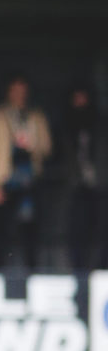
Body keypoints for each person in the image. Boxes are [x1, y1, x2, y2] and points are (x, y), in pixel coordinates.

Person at [0, 74, 51, 269]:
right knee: (0, 230)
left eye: (23, 91)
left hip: (29, 181)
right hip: (5, 179)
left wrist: (31, 143)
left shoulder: (36, 116)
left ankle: (31, 271)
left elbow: (47, 147)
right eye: (15, 90)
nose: (19, 94)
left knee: (30, 230)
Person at [61, 84, 102, 272]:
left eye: (83, 98)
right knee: (77, 230)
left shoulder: (100, 125)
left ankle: (101, 269)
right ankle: (79, 270)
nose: (80, 103)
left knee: (101, 229)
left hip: (101, 186)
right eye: (76, 98)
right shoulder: (67, 126)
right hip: (76, 185)